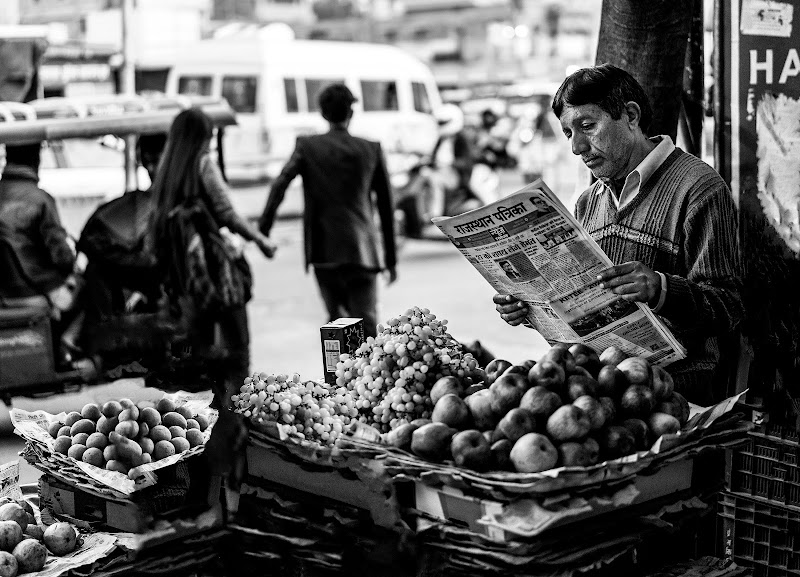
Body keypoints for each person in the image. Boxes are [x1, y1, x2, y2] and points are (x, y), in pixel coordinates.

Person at [493, 64, 744, 406]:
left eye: (587, 126)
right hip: (602, 389)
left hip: (675, 393)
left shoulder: (698, 188)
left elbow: (729, 307)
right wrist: (530, 308)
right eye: (568, 133)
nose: (577, 147)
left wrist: (660, 288)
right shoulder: (588, 202)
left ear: (630, 115)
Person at [149, 108, 276, 400]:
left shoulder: (168, 173)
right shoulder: (203, 163)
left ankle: (213, 421)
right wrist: (260, 239)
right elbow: (227, 213)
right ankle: (237, 424)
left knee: (206, 354)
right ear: (202, 137)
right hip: (217, 274)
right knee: (237, 350)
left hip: (188, 281)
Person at [258, 83, 397, 338]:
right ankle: (368, 378)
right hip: (362, 252)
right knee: (367, 326)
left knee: (337, 326)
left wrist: (263, 230)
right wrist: (391, 261)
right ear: (351, 113)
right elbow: (387, 207)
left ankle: (339, 378)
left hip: (324, 251)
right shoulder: (370, 148)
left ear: (322, 113)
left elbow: (280, 184)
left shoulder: (307, 146)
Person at [0, 143, 81, 365]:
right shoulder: (41, 200)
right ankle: (64, 349)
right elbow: (62, 258)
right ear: (37, 160)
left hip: (3, 294)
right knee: (87, 289)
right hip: (32, 292)